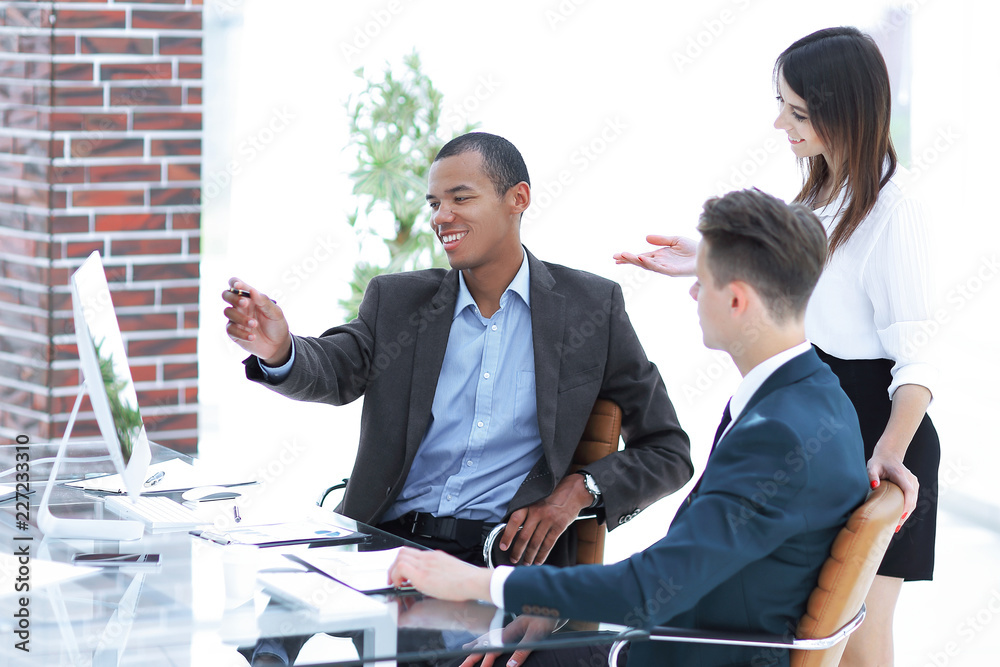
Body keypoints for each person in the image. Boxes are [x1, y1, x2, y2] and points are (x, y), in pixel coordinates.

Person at [389, 188, 872, 667]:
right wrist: (554, 603)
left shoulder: (777, 434)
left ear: (738, 301)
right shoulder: (819, 395)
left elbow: (649, 589)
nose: (693, 291)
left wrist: (474, 581)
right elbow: (692, 561)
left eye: (702, 280)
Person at [614, 27, 939, 666]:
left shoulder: (893, 211)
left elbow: (918, 361)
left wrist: (890, 454)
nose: (779, 123)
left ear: (843, 109)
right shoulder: (821, 193)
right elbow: (803, 285)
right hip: (822, 418)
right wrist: (710, 261)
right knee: (805, 630)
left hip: (877, 428)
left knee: (855, 647)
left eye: (796, 111)